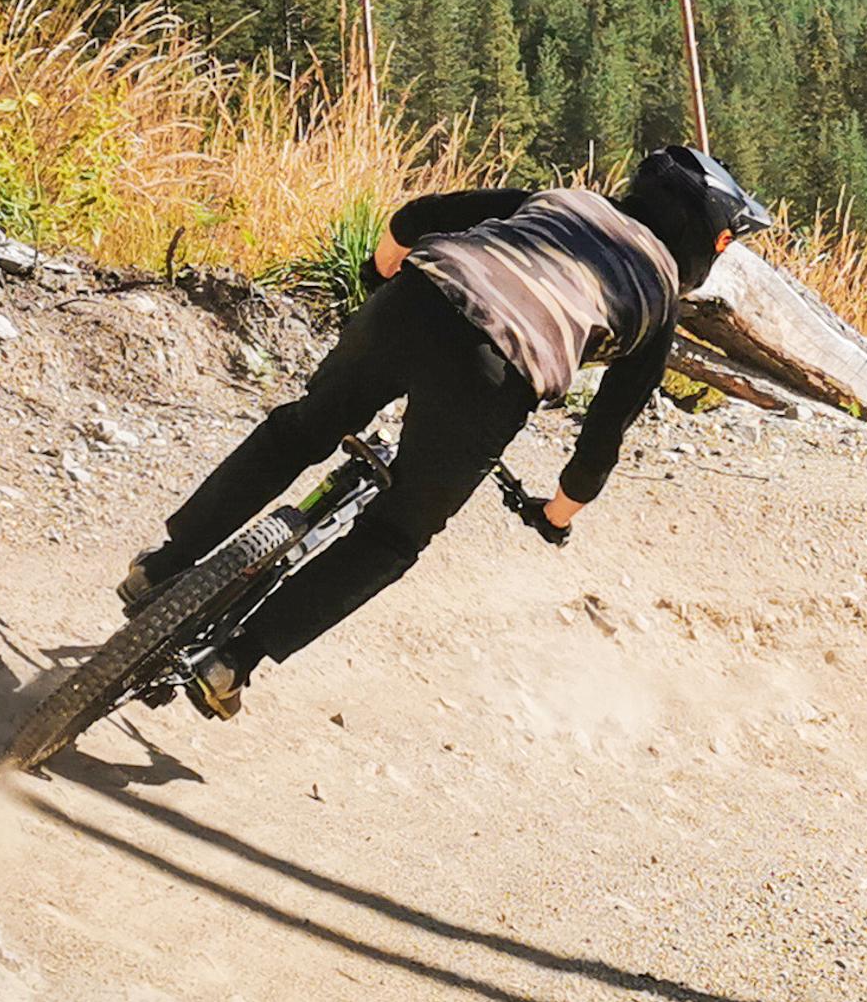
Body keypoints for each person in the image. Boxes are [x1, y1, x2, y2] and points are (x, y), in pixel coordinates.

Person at [116, 146, 766, 719]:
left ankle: (163, 567)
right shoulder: (657, 300)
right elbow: (600, 443)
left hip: (417, 299)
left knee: (300, 431)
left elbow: (417, 217)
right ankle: (235, 658)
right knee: (395, 532)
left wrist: (379, 277)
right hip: (493, 376)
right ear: (705, 245)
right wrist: (556, 515)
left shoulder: (565, 201)